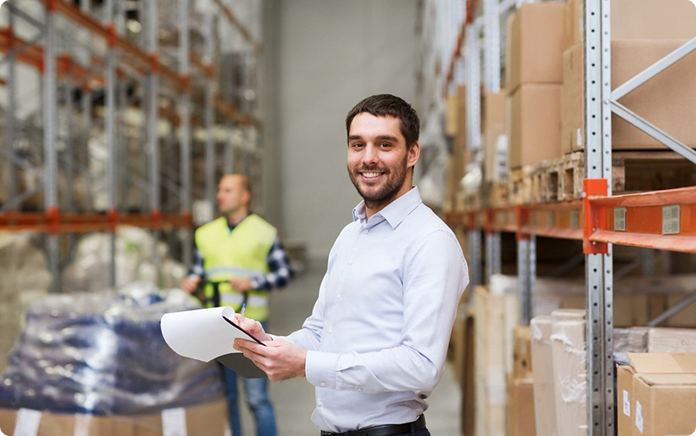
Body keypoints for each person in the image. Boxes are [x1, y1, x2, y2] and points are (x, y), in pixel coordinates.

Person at [233, 94, 468, 435]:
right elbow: (320, 331)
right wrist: (269, 344)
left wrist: (306, 365)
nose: (368, 158)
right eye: (358, 145)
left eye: (384, 144)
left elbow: (421, 365)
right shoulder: (350, 235)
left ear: (412, 153)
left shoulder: (430, 241)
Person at [181, 173, 292, 436]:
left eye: (228, 190)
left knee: (256, 397)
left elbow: (284, 274)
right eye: (219, 190)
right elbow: (198, 271)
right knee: (227, 395)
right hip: (218, 326)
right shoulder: (206, 234)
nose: (220, 195)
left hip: (251, 325)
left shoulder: (263, 233)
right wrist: (192, 282)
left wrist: (253, 281)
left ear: (245, 196)